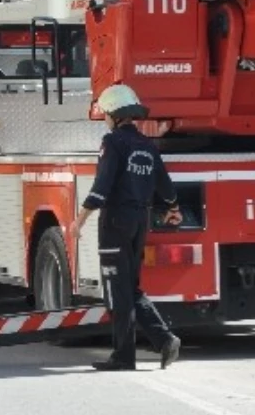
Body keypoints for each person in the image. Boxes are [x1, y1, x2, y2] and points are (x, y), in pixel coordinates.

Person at [70, 84, 182, 372]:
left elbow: (101, 187)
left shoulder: (113, 143)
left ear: (113, 114)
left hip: (115, 222)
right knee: (129, 287)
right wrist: (173, 210)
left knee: (117, 291)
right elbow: (166, 188)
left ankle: (125, 356)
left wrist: (79, 221)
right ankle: (164, 340)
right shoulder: (147, 145)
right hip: (139, 221)